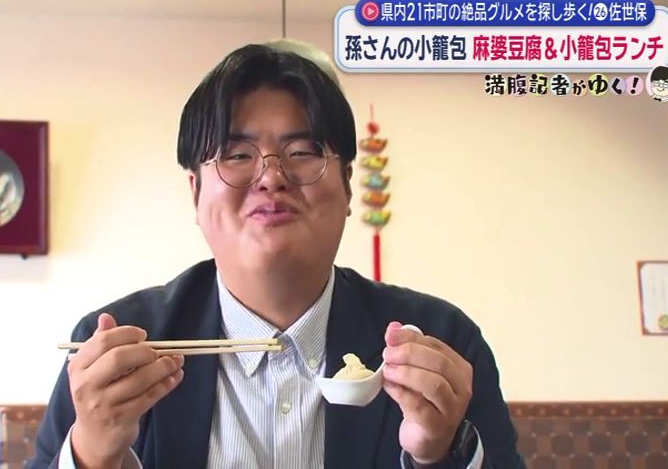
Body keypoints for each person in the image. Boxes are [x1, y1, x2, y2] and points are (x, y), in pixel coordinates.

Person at [29, 40, 525, 469]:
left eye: (302, 152)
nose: (271, 177)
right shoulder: (118, 349)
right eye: (237, 154)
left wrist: (437, 455)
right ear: (195, 193)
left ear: (348, 185)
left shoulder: (438, 342)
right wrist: (93, 451)